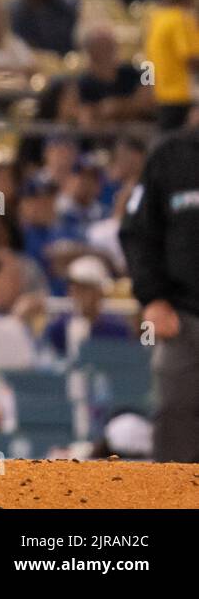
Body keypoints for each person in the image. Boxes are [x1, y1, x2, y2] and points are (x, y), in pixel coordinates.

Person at [120, 128, 199, 461]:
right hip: (184, 320)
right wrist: (152, 298)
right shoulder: (172, 156)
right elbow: (138, 233)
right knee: (174, 419)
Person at [144, 0, 199, 131]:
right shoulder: (181, 19)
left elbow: (147, 61)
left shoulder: (154, 19)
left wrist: (147, 85)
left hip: (160, 96)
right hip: (182, 97)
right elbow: (192, 59)